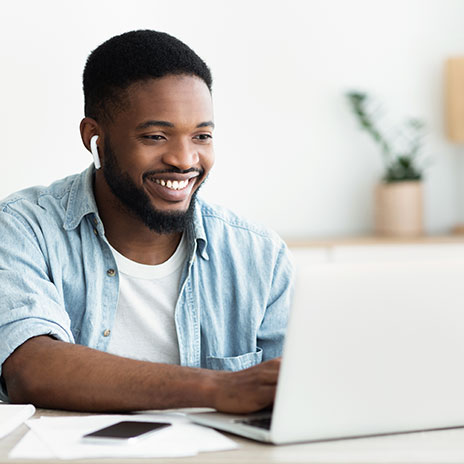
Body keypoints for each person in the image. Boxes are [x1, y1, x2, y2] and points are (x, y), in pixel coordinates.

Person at [0, 30, 293, 413]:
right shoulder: (24, 228)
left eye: (201, 136)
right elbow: (31, 368)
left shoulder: (259, 255)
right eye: (156, 136)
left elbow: (296, 391)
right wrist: (218, 388)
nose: (184, 160)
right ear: (95, 137)